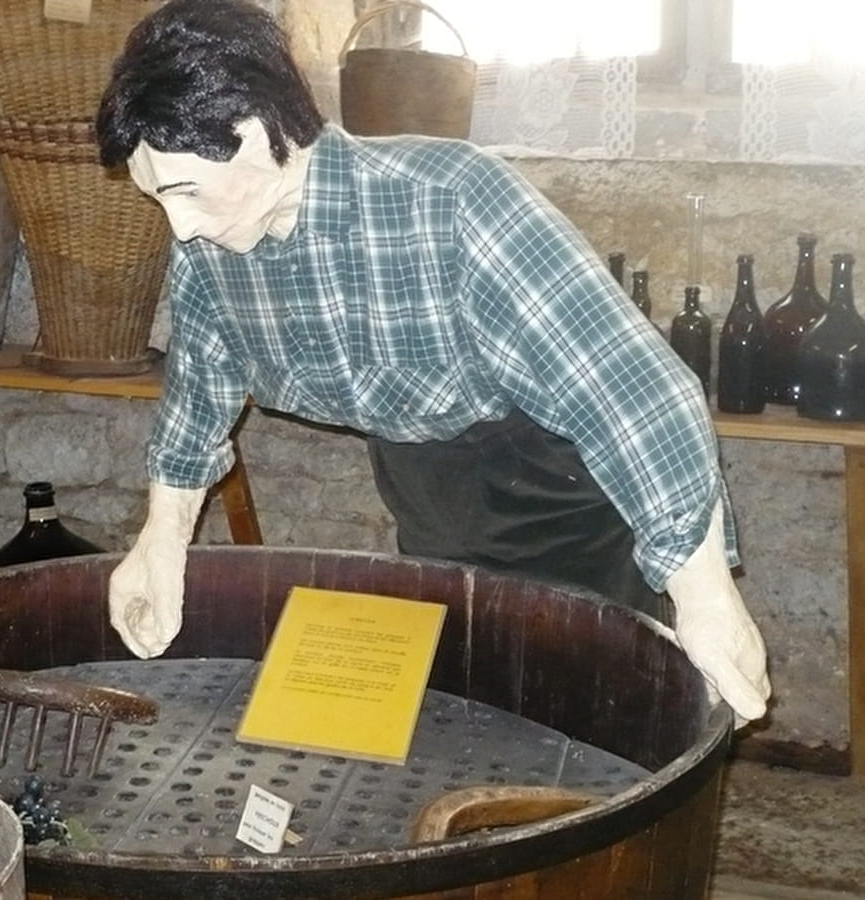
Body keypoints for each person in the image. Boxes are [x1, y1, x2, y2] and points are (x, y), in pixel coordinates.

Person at [95, 0, 770, 725]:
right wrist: (160, 543)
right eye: (158, 199)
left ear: (255, 134)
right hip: (434, 497)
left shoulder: (449, 202)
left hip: (567, 495)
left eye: (185, 191)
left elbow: (638, 395)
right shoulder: (211, 246)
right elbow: (197, 390)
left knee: (576, 714)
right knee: (468, 704)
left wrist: (705, 598)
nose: (180, 224)